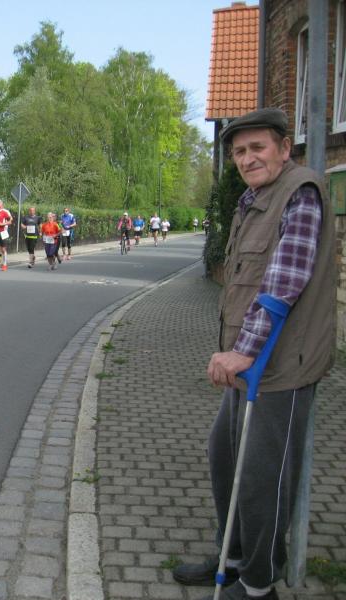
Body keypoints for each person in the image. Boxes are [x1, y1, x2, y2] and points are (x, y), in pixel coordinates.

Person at [171, 108, 335, 600]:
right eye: (239, 152)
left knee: (264, 477)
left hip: (281, 366)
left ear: (284, 148)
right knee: (225, 455)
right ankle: (233, 556)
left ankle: (259, 583)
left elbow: (283, 284)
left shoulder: (300, 193)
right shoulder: (252, 200)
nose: (247, 159)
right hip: (249, 363)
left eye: (257, 147)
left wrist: (241, 353)